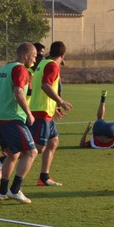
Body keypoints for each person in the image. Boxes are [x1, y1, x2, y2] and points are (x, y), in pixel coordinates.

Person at [0, 42, 38, 204]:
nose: (35, 60)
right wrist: (29, 113)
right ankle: (15, 190)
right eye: (34, 56)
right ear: (26, 56)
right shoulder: (20, 69)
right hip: (10, 117)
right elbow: (18, 92)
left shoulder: (4, 68)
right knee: (32, 152)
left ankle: (2, 192)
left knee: (13, 154)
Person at [28, 41, 73, 186]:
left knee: (53, 142)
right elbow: (45, 85)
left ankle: (44, 177)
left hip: (46, 110)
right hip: (41, 111)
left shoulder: (43, 63)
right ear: (63, 54)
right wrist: (61, 101)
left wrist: (54, 108)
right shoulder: (53, 66)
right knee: (38, 147)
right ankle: (4, 160)